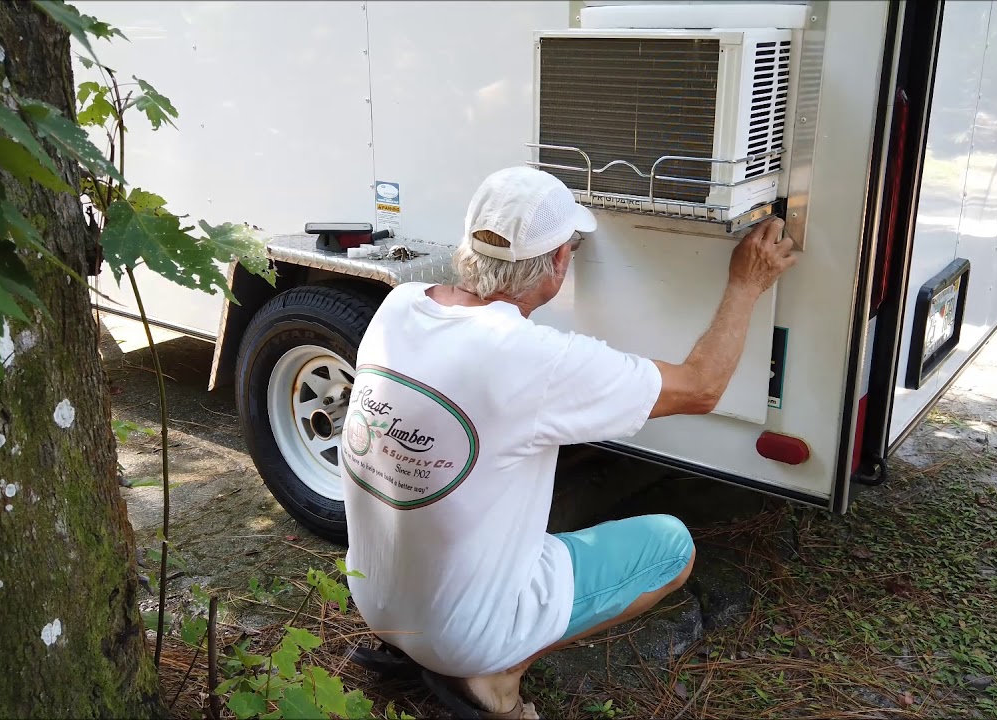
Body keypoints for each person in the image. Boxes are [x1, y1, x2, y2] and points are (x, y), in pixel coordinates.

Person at [341, 167, 797, 719]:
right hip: (465, 640)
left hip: (376, 604)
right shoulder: (534, 359)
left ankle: (466, 647)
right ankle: (497, 671)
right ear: (558, 263)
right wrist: (748, 284)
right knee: (673, 547)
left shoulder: (401, 304)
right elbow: (701, 388)